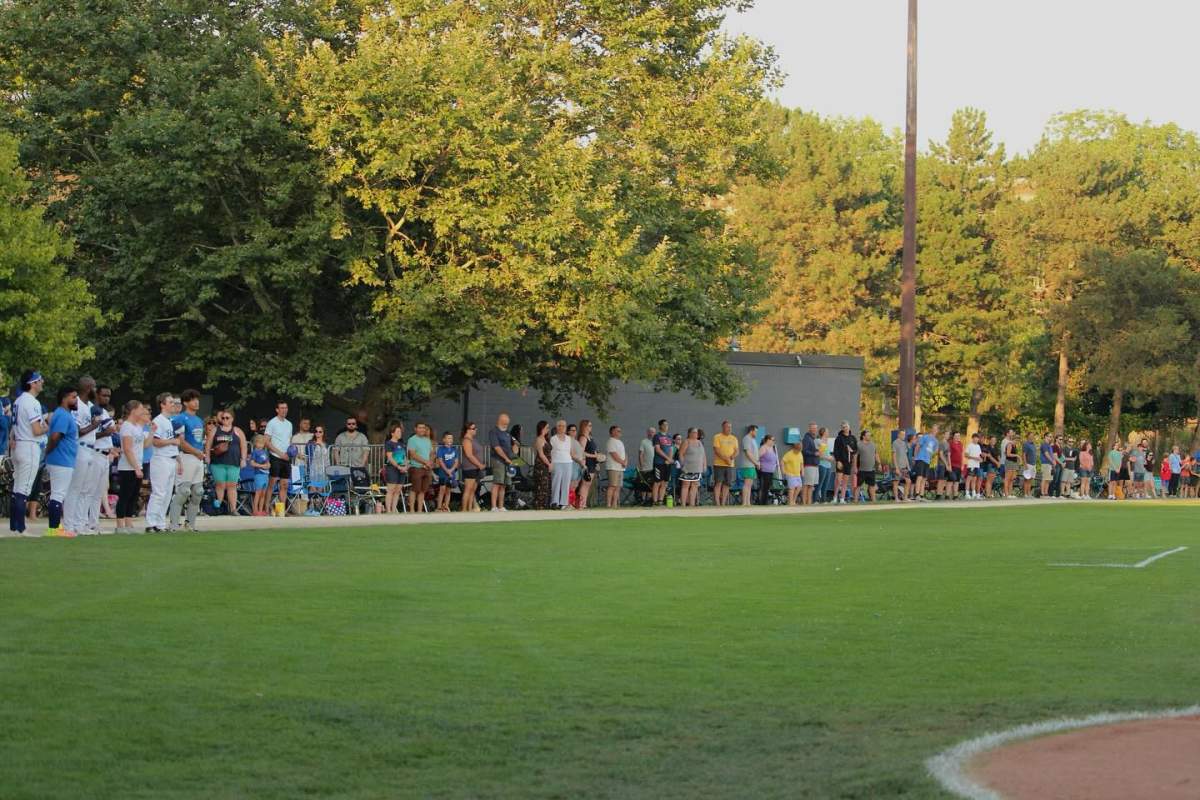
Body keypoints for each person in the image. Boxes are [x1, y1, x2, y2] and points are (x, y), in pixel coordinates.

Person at [63, 376, 106, 536]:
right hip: (80, 447)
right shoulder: (77, 405)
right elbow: (77, 431)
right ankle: (69, 524)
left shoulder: (91, 406)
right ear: (88, 387)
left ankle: (80, 523)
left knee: (85, 489)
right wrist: (94, 425)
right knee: (74, 488)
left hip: (91, 449)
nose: (96, 389)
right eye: (94, 387)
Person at [8, 371, 48, 535]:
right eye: (39, 381)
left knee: (17, 486)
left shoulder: (18, 400)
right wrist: (46, 426)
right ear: (32, 383)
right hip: (29, 445)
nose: (42, 383)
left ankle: (14, 526)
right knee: (23, 489)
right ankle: (20, 528)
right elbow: (37, 429)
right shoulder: (31, 402)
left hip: (18, 445)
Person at [167, 389, 206, 531]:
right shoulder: (180, 418)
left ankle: (190, 524)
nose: (196, 402)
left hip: (198, 458)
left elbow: (199, 441)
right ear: (185, 402)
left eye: (197, 399)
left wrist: (201, 453)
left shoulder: (199, 420)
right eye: (192, 399)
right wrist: (196, 452)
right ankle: (174, 524)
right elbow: (181, 442)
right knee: (183, 491)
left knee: (198, 492)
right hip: (186, 457)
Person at [44, 386, 80, 537]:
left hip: (62, 459)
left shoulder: (63, 414)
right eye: (73, 397)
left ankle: (55, 528)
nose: (76, 400)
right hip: (61, 459)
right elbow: (55, 436)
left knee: (58, 494)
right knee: (58, 494)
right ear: (64, 398)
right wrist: (48, 451)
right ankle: (54, 529)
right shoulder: (63, 415)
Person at [146, 393, 181, 532]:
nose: (173, 404)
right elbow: (155, 441)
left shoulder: (170, 420)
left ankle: (160, 523)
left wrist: (178, 459)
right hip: (161, 459)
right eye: (170, 402)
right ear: (162, 404)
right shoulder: (158, 420)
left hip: (171, 458)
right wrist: (172, 441)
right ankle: (150, 522)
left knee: (167, 494)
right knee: (159, 492)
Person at [115, 400, 150, 531]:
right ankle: (120, 525)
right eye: (141, 409)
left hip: (137, 465)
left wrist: (151, 432)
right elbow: (127, 449)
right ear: (134, 410)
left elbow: (144, 445)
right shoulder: (127, 426)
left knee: (134, 496)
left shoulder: (137, 427)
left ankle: (129, 523)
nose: (143, 412)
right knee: (125, 495)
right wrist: (136, 467)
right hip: (127, 467)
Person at [206, 408, 246, 517]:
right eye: (223, 418)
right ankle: (218, 508)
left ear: (232, 419)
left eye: (227, 418)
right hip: (218, 462)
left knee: (232, 485)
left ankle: (233, 509)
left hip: (233, 462)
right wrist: (208, 457)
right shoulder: (215, 430)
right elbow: (208, 444)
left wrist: (243, 459)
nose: (225, 420)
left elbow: (243, 445)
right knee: (220, 485)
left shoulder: (237, 430)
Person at [263, 401, 293, 516]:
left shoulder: (289, 424)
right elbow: (266, 442)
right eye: (282, 408)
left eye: (286, 408)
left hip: (286, 457)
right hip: (275, 456)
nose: (284, 410)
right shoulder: (272, 423)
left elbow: (289, 441)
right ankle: (266, 508)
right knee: (272, 483)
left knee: (284, 484)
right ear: (277, 410)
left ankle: (281, 510)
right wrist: (280, 454)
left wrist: (291, 452)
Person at [488, 413, 516, 512]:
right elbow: (497, 448)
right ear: (501, 420)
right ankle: (493, 506)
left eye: (507, 422)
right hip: (498, 460)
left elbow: (514, 444)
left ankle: (501, 506)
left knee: (504, 484)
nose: (507, 424)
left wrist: (513, 453)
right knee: (497, 483)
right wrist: (506, 458)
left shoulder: (508, 432)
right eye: (505, 421)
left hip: (508, 461)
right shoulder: (494, 432)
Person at [407, 422, 434, 513]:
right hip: (416, 467)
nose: (422, 429)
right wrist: (425, 462)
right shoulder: (412, 440)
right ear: (415, 429)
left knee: (423, 490)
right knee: (415, 489)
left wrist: (429, 463)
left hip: (427, 468)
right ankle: (411, 510)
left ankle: (419, 510)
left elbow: (431, 453)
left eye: (423, 428)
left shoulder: (427, 440)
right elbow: (413, 454)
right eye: (420, 427)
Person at [711, 420, 738, 506]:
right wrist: (726, 459)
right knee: (718, 482)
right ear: (723, 427)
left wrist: (732, 457)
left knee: (727, 484)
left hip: (730, 465)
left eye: (730, 427)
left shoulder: (734, 438)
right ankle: (717, 503)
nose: (729, 429)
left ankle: (723, 503)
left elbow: (737, 450)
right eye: (727, 427)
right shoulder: (717, 437)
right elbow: (717, 450)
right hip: (719, 464)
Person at [677, 427, 706, 507]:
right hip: (687, 467)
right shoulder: (686, 442)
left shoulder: (700, 442)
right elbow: (681, 454)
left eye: (696, 433)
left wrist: (704, 465)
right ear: (689, 433)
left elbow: (703, 455)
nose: (696, 434)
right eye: (694, 432)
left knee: (695, 485)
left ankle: (692, 504)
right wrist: (683, 465)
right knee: (686, 485)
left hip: (697, 468)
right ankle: (683, 504)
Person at [460, 422, 485, 513]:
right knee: (468, 489)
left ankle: (470, 508)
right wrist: (479, 464)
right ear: (468, 430)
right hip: (470, 468)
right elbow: (469, 455)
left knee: (472, 490)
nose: (476, 430)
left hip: (476, 468)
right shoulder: (466, 440)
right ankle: (464, 509)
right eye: (473, 428)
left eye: (475, 428)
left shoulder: (473, 439)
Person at [383, 423, 407, 514]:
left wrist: (405, 466)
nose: (400, 433)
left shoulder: (402, 443)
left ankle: (394, 510)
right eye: (398, 431)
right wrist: (398, 466)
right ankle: (388, 510)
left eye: (400, 431)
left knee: (398, 490)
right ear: (392, 433)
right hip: (392, 468)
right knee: (391, 490)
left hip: (402, 469)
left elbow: (404, 457)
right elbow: (390, 457)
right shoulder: (389, 443)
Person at [549, 419, 573, 510]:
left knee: (566, 483)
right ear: (557, 427)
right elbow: (551, 452)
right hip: (557, 461)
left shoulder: (569, 438)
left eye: (563, 426)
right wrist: (551, 463)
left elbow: (570, 451)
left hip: (567, 462)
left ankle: (563, 503)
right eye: (560, 426)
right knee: (556, 482)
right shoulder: (553, 439)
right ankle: (554, 502)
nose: (562, 427)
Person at [913, 424, 939, 501]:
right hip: (921, 458)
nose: (934, 430)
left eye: (936, 429)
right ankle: (917, 494)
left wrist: (933, 455)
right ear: (931, 429)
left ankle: (921, 495)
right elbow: (917, 446)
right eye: (933, 429)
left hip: (927, 461)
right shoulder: (925, 437)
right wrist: (915, 457)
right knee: (919, 477)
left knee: (924, 478)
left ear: (937, 431)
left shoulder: (936, 441)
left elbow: (935, 451)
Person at [833, 421, 857, 505]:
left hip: (848, 462)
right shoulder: (839, 438)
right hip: (841, 461)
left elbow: (855, 450)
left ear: (849, 427)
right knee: (838, 480)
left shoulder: (852, 438)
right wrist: (838, 461)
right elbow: (835, 451)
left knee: (845, 481)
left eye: (846, 427)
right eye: (843, 427)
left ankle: (842, 498)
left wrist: (852, 450)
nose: (845, 428)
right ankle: (835, 497)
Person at [576, 420, 598, 510]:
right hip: (587, 462)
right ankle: (580, 503)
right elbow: (581, 452)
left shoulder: (590, 437)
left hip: (592, 462)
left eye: (591, 425)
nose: (590, 427)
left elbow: (594, 449)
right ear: (584, 426)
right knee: (584, 484)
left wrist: (597, 456)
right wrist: (594, 455)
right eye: (588, 425)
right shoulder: (583, 437)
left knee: (588, 484)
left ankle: (584, 503)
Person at [530, 421, 552, 510]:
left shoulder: (546, 439)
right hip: (541, 466)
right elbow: (541, 454)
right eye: (547, 427)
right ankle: (539, 505)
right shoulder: (539, 439)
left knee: (547, 486)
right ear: (542, 428)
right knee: (541, 486)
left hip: (547, 465)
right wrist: (549, 464)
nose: (548, 429)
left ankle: (545, 505)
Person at [736, 424, 760, 507]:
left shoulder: (753, 440)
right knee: (746, 483)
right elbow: (748, 453)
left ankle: (748, 502)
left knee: (750, 484)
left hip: (752, 465)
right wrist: (756, 462)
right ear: (751, 431)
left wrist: (756, 462)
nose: (757, 433)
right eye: (756, 431)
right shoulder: (746, 439)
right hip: (747, 464)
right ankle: (744, 502)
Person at [435, 431, 459, 512]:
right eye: (448, 438)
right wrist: (446, 470)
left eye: (451, 438)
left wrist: (451, 470)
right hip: (443, 472)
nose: (450, 440)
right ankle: (439, 507)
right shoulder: (441, 449)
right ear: (444, 439)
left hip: (451, 472)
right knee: (442, 489)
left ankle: (446, 506)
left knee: (448, 490)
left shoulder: (454, 449)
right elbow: (440, 461)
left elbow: (456, 461)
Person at [652, 419, 674, 506]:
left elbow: (671, 449)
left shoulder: (669, 436)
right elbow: (657, 449)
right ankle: (654, 501)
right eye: (664, 425)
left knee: (665, 482)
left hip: (667, 463)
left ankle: (660, 500)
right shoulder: (657, 436)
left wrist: (670, 459)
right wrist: (667, 458)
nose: (666, 426)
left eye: (667, 425)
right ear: (660, 426)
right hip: (659, 463)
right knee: (657, 482)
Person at [605, 425, 626, 509]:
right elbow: (614, 455)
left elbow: (625, 454)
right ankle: (608, 504)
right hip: (613, 467)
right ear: (612, 432)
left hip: (620, 467)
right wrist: (622, 462)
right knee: (612, 486)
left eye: (620, 431)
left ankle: (615, 504)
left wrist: (625, 462)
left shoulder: (620, 442)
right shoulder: (611, 441)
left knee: (618, 487)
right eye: (618, 431)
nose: (620, 432)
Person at [800, 423, 821, 506]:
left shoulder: (813, 438)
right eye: (813, 428)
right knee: (806, 484)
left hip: (815, 464)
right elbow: (804, 451)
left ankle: (809, 502)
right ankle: (804, 502)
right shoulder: (806, 438)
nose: (815, 430)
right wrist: (814, 453)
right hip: (809, 464)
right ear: (809, 429)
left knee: (811, 485)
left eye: (816, 428)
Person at [249, 435, 271, 515]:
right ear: (255, 443)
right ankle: (255, 510)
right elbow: (252, 463)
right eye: (259, 443)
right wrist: (261, 466)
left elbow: (268, 463)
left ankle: (261, 510)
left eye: (262, 443)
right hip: (258, 474)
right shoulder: (255, 452)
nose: (261, 445)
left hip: (266, 475)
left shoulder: (265, 452)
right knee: (258, 493)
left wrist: (268, 466)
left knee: (263, 493)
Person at [757, 434, 778, 505]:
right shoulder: (763, 448)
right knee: (763, 487)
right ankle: (762, 502)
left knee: (767, 488)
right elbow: (757, 457)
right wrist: (758, 464)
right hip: (764, 471)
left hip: (770, 471)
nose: (774, 442)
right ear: (768, 440)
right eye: (773, 440)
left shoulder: (772, 448)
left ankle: (764, 502)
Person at [857, 430, 878, 502]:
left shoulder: (873, 444)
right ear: (863, 436)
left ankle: (874, 501)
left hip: (871, 469)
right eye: (868, 435)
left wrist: (879, 463)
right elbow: (855, 456)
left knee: (872, 486)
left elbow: (876, 454)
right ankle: (855, 501)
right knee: (858, 486)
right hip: (861, 469)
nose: (869, 437)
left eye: (870, 435)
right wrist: (854, 467)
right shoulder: (859, 444)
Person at [782, 440, 804, 506]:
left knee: (799, 487)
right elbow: (782, 462)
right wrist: (783, 471)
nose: (799, 451)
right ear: (794, 448)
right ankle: (790, 502)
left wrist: (802, 471)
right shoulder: (789, 454)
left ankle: (793, 500)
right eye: (798, 450)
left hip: (797, 474)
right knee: (792, 488)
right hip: (790, 473)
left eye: (800, 450)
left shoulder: (800, 453)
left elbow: (801, 463)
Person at [891, 431, 911, 502]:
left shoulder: (904, 443)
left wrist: (908, 465)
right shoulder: (895, 443)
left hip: (904, 466)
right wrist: (896, 468)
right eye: (902, 434)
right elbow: (893, 456)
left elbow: (905, 455)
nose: (904, 436)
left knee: (908, 481)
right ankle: (896, 498)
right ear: (898, 435)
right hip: (897, 466)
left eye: (904, 435)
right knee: (896, 482)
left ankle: (905, 497)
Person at [964, 433, 982, 500]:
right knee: (969, 479)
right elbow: (966, 455)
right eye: (975, 438)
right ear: (973, 438)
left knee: (974, 480)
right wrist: (974, 458)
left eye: (978, 438)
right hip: (971, 465)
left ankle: (974, 493)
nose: (977, 439)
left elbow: (979, 455)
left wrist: (980, 459)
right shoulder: (969, 446)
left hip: (977, 465)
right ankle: (967, 493)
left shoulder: (978, 446)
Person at [1038, 433, 1057, 498]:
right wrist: (1052, 461)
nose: (1051, 438)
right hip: (1045, 463)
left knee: (1048, 479)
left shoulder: (1049, 445)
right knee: (1044, 478)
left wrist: (1053, 461)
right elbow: (1046, 454)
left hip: (1050, 464)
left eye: (1051, 437)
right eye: (1049, 436)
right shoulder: (1044, 445)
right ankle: (1042, 493)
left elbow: (1051, 455)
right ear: (1045, 437)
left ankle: (1046, 493)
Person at [1002, 429, 1019, 498]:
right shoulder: (1009, 444)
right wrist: (1017, 456)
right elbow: (1008, 454)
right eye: (1017, 440)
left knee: (1012, 478)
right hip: (1009, 462)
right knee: (1007, 478)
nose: (1017, 441)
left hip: (1014, 463)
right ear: (1013, 439)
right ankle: (1006, 494)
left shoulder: (1015, 446)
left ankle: (1010, 493)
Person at [1021, 433, 1038, 498]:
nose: (1032, 437)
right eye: (1030, 436)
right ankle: (1025, 494)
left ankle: (1029, 493)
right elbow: (1024, 454)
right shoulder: (1026, 444)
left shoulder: (1033, 444)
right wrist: (1025, 464)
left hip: (1033, 464)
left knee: (1031, 479)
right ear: (1027, 436)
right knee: (1027, 479)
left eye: (1033, 436)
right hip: (1028, 464)